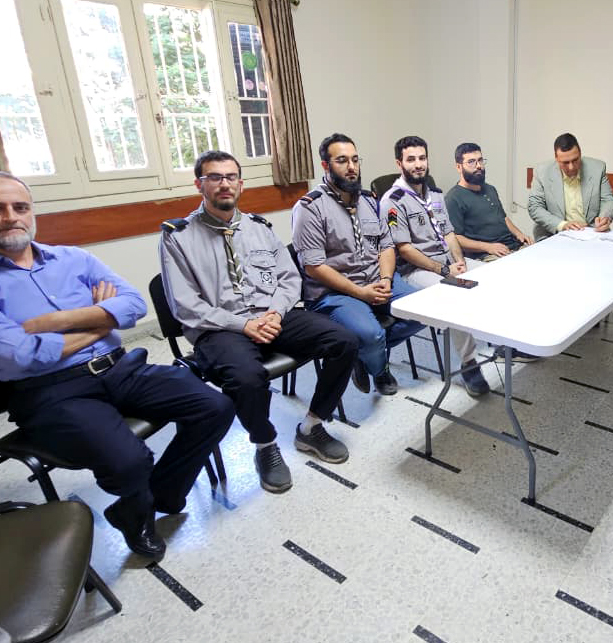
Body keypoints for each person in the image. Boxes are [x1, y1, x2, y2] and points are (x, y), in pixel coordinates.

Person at [0, 170, 234, 561]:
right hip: (50, 390)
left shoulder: (73, 258)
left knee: (215, 406)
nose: (11, 217)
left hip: (121, 368)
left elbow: (134, 305)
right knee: (129, 460)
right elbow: (18, 356)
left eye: (20, 207)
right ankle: (138, 514)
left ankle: (154, 497)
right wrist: (102, 319)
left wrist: (51, 322)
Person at [160, 150, 360, 494]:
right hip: (221, 328)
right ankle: (265, 445)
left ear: (241, 184)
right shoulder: (177, 237)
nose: (224, 184)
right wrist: (243, 326)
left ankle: (311, 427)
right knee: (246, 377)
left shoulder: (259, 228)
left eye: (230, 177)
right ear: (199, 184)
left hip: (271, 314)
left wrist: (276, 312)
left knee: (344, 341)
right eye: (214, 177)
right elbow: (185, 305)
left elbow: (289, 278)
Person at [292, 133, 425, 396]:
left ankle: (362, 355)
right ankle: (380, 368)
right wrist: (360, 293)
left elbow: (386, 246)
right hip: (334, 292)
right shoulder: (310, 208)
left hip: (377, 279)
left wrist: (385, 279)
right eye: (342, 161)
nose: (351, 167)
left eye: (355, 160)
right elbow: (314, 267)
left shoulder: (369, 201)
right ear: (326, 166)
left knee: (423, 311)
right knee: (371, 334)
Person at [382, 136, 490, 396]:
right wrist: (444, 271)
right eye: (411, 159)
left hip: (448, 263)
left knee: (492, 275)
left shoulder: (436, 195)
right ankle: (469, 364)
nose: (418, 164)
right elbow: (404, 249)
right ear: (399, 163)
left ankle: (505, 341)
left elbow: (449, 233)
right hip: (416, 271)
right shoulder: (392, 201)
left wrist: (459, 261)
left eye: (422, 158)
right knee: (455, 294)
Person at [444, 142, 533, 260]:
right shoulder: (453, 198)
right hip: (487, 254)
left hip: (512, 246)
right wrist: (488, 247)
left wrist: (519, 234)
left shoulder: (490, 189)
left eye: (480, 160)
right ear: (459, 167)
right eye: (471, 162)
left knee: (541, 256)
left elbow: (504, 218)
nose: (478, 166)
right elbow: (456, 238)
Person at [528, 133, 613, 240]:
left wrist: (604, 217)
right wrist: (562, 225)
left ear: (580, 153)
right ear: (556, 159)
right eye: (565, 163)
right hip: (553, 233)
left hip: (590, 232)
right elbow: (535, 207)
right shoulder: (542, 171)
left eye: (575, 160)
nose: (571, 167)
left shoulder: (597, 168)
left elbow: (608, 200)